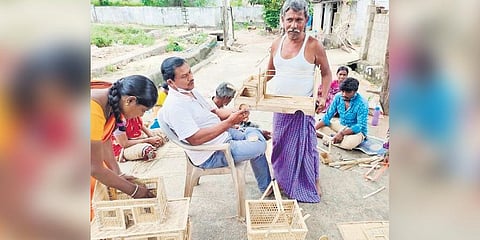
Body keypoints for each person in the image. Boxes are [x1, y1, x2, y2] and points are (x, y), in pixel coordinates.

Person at [158, 57, 272, 193]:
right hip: (212, 152)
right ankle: (252, 134)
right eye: (184, 76)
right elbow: (195, 139)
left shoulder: (190, 91)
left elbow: (215, 112)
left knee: (255, 135)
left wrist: (236, 112)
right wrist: (230, 122)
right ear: (170, 82)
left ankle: (266, 188)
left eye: (190, 72)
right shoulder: (175, 106)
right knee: (259, 145)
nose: (191, 77)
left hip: (222, 135)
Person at [265, 0, 332, 203]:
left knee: (308, 148)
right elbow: (269, 72)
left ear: (307, 21)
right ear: (283, 21)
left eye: (299, 20)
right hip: (280, 106)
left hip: (303, 108)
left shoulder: (313, 45)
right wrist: (251, 85)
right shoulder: (276, 44)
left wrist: (322, 95)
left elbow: (327, 74)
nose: (294, 25)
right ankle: (282, 180)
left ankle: (313, 180)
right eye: (290, 20)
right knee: (280, 145)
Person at [91, 75, 158, 208]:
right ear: (130, 100)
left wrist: (117, 172)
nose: (141, 115)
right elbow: (94, 168)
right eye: (143, 110)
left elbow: (104, 138)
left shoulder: (114, 95)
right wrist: (134, 191)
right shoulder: (92, 110)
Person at [315, 77, 368, 150]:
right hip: (341, 125)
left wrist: (342, 133)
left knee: (349, 144)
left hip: (356, 131)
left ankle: (329, 139)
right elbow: (327, 116)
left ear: (355, 92)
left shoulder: (362, 103)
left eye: (348, 92)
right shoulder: (338, 97)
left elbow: (360, 126)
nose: (344, 94)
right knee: (320, 127)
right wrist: (313, 129)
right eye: (343, 91)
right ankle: (334, 138)